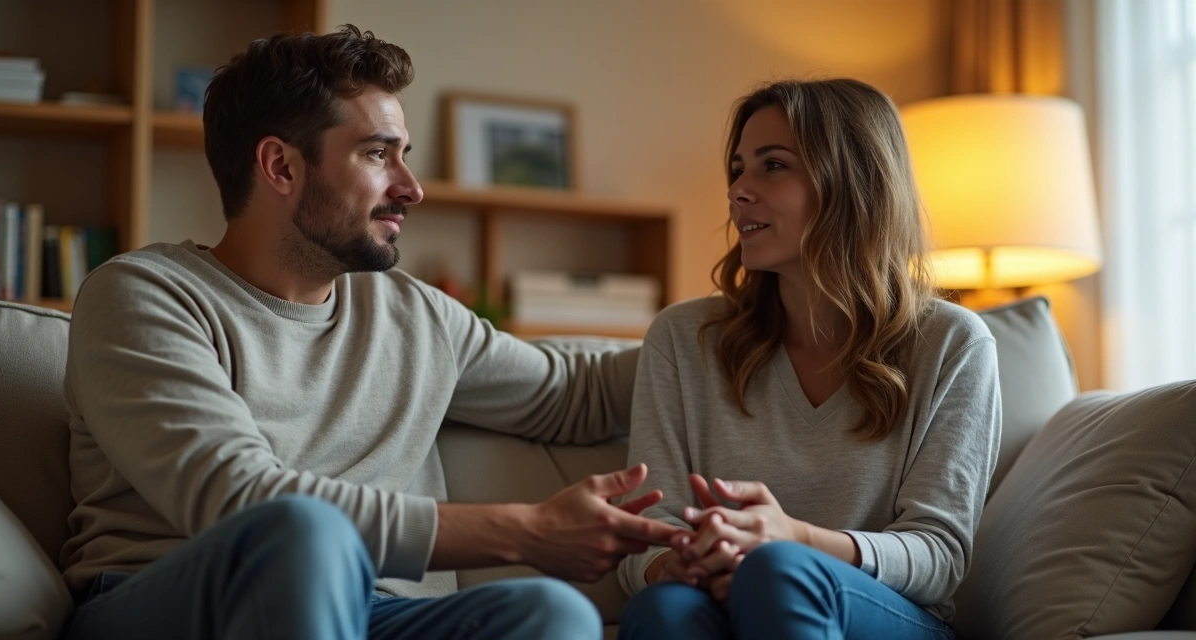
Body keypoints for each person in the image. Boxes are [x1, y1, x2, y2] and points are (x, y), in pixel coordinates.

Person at [59, 25, 681, 640]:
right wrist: (524, 530)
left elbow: (575, 394)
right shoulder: (144, 296)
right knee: (304, 534)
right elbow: (244, 502)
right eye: (378, 154)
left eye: (403, 154)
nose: (411, 187)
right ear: (280, 166)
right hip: (176, 602)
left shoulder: (413, 313)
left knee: (553, 614)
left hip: (375, 611)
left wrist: (749, 314)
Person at [616, 78, 1002, 640]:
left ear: (854, 183)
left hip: (885, 617)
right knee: (662, 609)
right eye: (737, 168)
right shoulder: (682, 338)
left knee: (779, 573)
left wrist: (794, 541)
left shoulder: (954, 344)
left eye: (772, 166)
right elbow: (650, 526)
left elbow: (938, 555)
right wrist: (678, 560)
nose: (738, 190)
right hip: (720, 603)